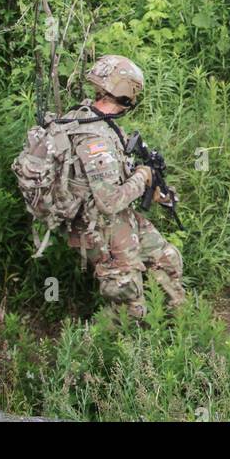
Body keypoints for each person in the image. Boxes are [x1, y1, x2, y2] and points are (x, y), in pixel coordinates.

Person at [60, 55, 186, 320]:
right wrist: (142, 177)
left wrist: (156, 189)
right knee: (130, 302)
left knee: (167, 258)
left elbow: (116, 176)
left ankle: (178, 326)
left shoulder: (97, 120)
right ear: (127, 92)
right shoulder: (93, 137)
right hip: (97, 225)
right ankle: (101, 350)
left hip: (118, 219)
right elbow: (109, 201)